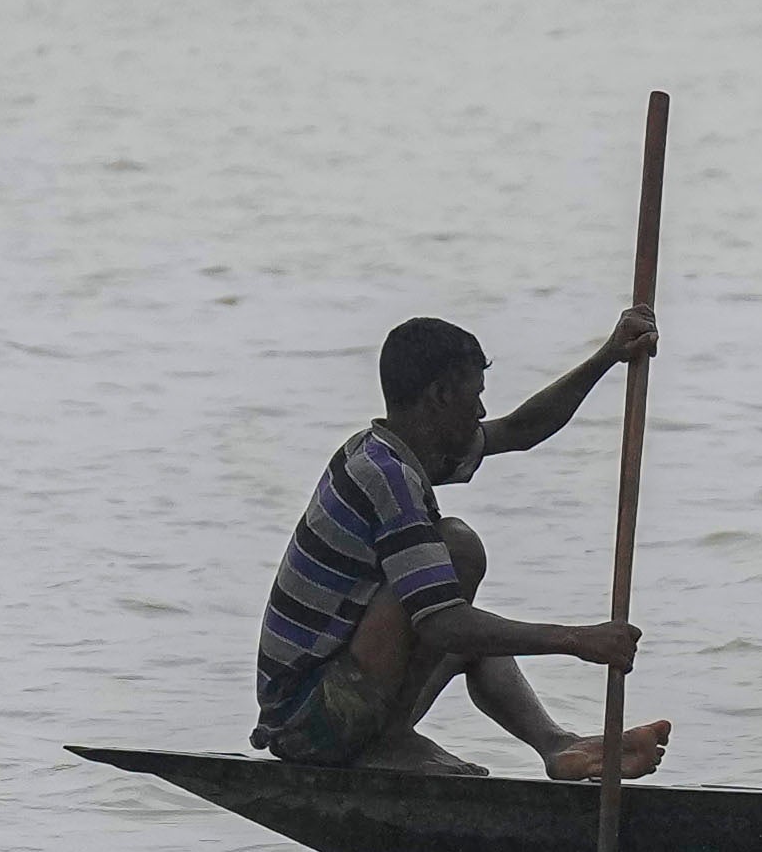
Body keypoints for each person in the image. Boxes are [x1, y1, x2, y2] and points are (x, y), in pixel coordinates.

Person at [254, 312, 669, 777]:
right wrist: (577, 639)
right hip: (308, 719)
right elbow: (443, 626)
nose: (480, 414)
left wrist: (609, 356)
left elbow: (519, 430)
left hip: (328, 704)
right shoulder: (385, 477)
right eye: (474, 398)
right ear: (441, 397)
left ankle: (557, 745)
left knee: (472, 627)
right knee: (457, 551)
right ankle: (389, 740)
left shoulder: (394, 452)